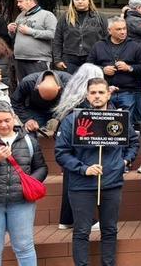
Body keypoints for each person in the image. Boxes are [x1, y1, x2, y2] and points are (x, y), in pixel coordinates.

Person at [55, 78, 139, 266]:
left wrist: (124, 161)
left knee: (110, 230)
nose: (97, 96)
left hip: (112, 183)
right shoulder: (73, 120)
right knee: (81, 231)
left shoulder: (120, 118)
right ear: (87, 95)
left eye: (101, 92)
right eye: (93, 92)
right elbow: (61, 153)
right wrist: (83, 169)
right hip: (81, 185)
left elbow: (133, 143)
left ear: (109, 94)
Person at [0, 100, 47, 266]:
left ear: (14, 118)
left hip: (21, 201)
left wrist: (28, 183)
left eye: (7, 120)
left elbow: (42, 167)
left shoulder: (29, 141)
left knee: (24, 247)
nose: (3, 125)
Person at [51, 63, 104, 230]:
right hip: (81, 143)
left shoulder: (72, 97)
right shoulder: (85, 103)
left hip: (69, 140)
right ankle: (87, 219)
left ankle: (66, 219)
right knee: (80, 180)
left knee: (70, 177)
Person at [87, 16, 141, 125]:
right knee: (102, 124)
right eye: (119, 29)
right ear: (109, 31)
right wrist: (102, 70)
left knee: (125, 125)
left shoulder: (134, 46)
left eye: (124, 28)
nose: (123, 32)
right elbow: (88, 66)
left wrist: (129, 68)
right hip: (104, 92)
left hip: (127, 92)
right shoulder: (98, 46)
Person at [53, 0, 107, 75]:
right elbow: (57, 39)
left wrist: (105, 59)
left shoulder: (100, 17)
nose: (80, 1)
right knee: (71, 82)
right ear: (72, 1)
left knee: (91, 82)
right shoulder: (65, 17)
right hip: (70, 59)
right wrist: (57, 60)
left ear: (89, 0)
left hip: (93, 58)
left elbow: (107, 39)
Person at [8, 0, 57, 82]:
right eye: (17, 2)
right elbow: (14, 36)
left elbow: (53, 34)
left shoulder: (47, 15)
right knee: (23, 87)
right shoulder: (20, 16)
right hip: (19, 59)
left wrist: (30, 31)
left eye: (20, 1)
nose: (18, 4)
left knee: (38, 86)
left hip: (38, 60)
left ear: (30, 0)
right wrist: (11, 31)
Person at [11, 70, 71, 135]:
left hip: (61, 110)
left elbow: (77, 104)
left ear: (59, 88)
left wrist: (62, 117)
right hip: (37, 110)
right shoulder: (28, 82)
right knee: (33, 131)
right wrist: (27, 119)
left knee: (65, 131)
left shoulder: (70, 82)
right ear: (37, 87)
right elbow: (16, 101)